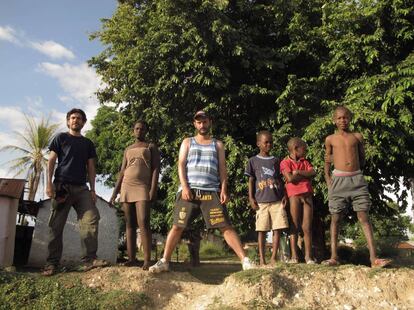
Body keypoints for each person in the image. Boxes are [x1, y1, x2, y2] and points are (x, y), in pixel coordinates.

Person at [149, 110, 255, 273]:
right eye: (199, 122)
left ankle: (245, 261)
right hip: (189, 191)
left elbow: (222, 168)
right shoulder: (187, 142)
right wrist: (184, 186)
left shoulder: (218, 144)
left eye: (204, 121)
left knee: (225, 226)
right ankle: (164, 261)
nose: (202, 125)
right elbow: (181, 165)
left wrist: (224, 189)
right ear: (195, 124)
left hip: (211, 191)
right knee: (177, 226)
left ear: (210, 122)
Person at [323, 106, 391, 268]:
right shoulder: (330, 139)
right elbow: (327, 159)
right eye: (339, 118)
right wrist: (327, 177)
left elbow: (362, 159)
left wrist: (354, 171)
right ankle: (334, 257)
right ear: (334, 120)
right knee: (336, 218)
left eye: (345, 117)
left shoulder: (357, 137)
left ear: (350, 118)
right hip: (338, 181)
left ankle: (373, 258)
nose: (342, 120)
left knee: (364, 218)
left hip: (357, 181)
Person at [42, 108, 107, 276]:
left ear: (84, 122)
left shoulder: (88, 143)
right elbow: (51, 161)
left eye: (79, 118)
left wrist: (93, 189)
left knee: (91, 218)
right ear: (68, 121)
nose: (75, 120)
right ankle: (51, 263)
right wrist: (48, 184)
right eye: (72, 118)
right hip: (61, 187)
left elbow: (91, 167)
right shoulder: (61, 138)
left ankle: (90, 260)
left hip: (81, 189)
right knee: (55, 226)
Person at [110, 120, 160, 270]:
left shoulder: (151, 146)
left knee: (144, 221)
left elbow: (156, 169)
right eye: (137, 128)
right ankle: (131, 258)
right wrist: (114, 193)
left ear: (146, 131)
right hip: (126, 186)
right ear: (133, 131)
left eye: (142, 129)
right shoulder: (128, 149)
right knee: (129, 223)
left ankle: (146, 260)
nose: (139, 131)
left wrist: (153, 189)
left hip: (143, 187)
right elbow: (122, 172)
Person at [245, 130, 288, 265]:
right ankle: (262, 259)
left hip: (276, 201)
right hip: (261, 202)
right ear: (259, 144)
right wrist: (251, 198)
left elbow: (281, 180)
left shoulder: (276, 160)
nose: (269, 144)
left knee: (277, 228)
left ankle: (273, 258)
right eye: (266, 142)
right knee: (262, 230)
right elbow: (251, 180)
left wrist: (284, 195)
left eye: (271, 142)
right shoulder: (253, 161)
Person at [280, 137, 316, 264]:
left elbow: (313, 173)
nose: (305, 152)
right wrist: (304, 175)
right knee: (294, 225)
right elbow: (290, 179)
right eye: (303, 149)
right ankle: (294, 257)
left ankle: (308, 257)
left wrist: (298, 172)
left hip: (307, 196)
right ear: (296, 149)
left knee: (307, 227)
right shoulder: (285, 163)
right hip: (294, 196)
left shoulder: (305, 161)